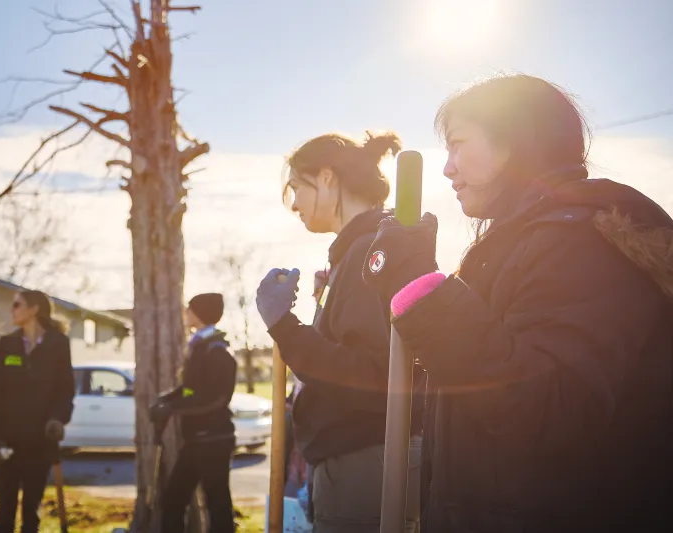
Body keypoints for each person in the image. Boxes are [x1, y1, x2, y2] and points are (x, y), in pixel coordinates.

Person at [360, 74, 673, 532]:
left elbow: (547, 406)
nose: (447, 168)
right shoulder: (518, 245)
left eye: (458, 144)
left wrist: (420, 288)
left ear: (515, 141)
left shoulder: (581, 244)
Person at [255, 132, 425, 533]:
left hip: (365, 460)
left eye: (296, 187)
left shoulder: (370, 252)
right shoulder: (362, 251)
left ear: (327, 177)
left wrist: (285, 326)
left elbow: (367, 376)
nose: (294, 203)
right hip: (364, 456)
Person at [0, 290, 75, 533]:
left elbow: (65, 390)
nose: (12, 310)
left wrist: (58, 419)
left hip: (40, 440)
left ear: (33, 309)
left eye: (17, 305)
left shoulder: (58, 344)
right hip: (8, 440)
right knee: (5, 509)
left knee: (31, 511)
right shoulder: (8, 344)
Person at [150, 293, 238, 533]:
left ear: (200, 314)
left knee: (217, 504)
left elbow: (216, 398)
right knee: (173, 500)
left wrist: (174, 408)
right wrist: (166, 400)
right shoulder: (199, 345)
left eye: (189, 309)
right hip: (195, 439)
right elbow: (190, 390)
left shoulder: (218, 351)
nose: (185, 314)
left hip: (213, 439)